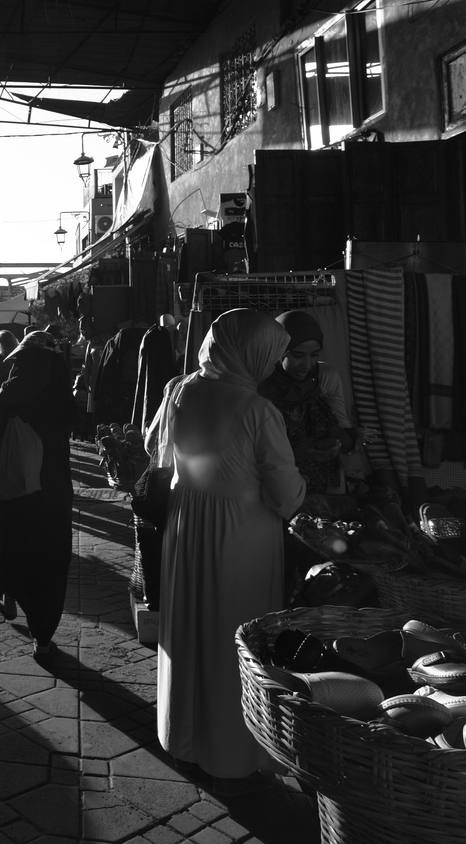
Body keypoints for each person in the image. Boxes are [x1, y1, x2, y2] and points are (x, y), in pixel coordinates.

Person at [146, 309, 305, 787]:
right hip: (240, 536)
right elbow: (285, 493)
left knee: (190, 627)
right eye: (272, 354)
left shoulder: (184, 390)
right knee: (232, 636)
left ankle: (184, 736)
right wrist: (305, 486)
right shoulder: (258, 410)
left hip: (186, 523)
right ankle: (233, 749)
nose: (275, 365)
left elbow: (161, 452)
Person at [0, 328, 76, 659]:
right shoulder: (62, 394)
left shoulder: (14, 388)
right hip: (55, 487)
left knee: (12, 548)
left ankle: (10, 595)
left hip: (17, 487)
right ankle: (43, 638)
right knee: (50, 560)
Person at [258, 310, 360, 502]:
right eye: (297, 355)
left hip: (327, 489)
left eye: (314, 355)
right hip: (278, 491)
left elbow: (338, 427)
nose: (307, 364)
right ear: (278, 352)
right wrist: (298, 453)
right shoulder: (259, 387)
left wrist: (349, 438)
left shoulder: (321, 379)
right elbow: (253, 453)